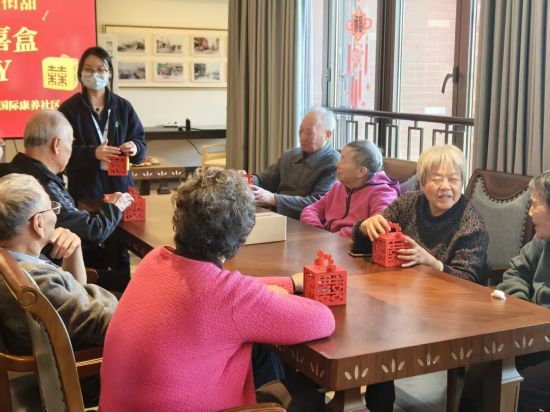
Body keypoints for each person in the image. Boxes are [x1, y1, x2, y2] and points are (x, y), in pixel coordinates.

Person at [99, 168, 336, 411]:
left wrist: (289, 284)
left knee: (260, 354)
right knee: (307, 395)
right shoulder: (229, 297)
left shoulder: (155, 259)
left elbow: (228, 292)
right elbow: (322, 320)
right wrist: (281, 295)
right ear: (241, 237)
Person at [351, 144, 488, 412]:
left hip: (444, 313)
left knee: (379, 332)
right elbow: (369, 242)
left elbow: (469, 282)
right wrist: (365, 227)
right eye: (436, 179)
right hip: (399, 299)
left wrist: (433, 263)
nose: (445, 187)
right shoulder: (408, 203)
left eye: (453, 179)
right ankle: (372, 401)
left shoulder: (471, 225)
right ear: (423, 182)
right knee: (368, 319)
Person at [0, 110, 134, 291]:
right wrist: (116, 206)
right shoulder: (37, 185)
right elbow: (91, 231)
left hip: (33, 268)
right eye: (70, 144)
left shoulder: (13, 172)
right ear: (57, 144)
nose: (70, 151)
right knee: (127, 282)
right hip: (55, 272)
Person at [461, 171, 550, 412]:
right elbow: (515, 272)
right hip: (532, 336)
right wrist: (522, 306)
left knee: (521, 389)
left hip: (544, 342)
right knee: (479, 373)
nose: (530, 213)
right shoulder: (542, 240)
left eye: (536, 205)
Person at [0, 173, 117, 356]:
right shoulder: (38, 283)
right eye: (52, 207)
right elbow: (108, 326)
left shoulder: (15, 259)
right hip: (88, 361)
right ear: (38, 223)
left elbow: (73, 290)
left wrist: (74, 249)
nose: (56, 214)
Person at [58, 46, 146, 202]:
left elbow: (141, 146)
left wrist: (135, 147)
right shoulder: (68, 109)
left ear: (109, 73)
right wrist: (93, 153)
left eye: (100, 69)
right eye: (88, 69)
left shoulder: (123, 107)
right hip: (85, 194)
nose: (94, 74)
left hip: (121, 193)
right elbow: (60, 153)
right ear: (80, 73)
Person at [251, 107, 340, 220]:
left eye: (309, 133)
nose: (302, 137)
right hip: (276, 216)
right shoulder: (290, 155)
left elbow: (317, 203)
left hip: (306, 222)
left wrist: (273, 199)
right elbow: (264, 180)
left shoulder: (334, 162)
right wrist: (247, 179)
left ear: (327, 134)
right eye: (300, 132)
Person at [300, 140, 400, 237]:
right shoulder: (338, 187)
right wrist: (319, 232)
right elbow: (311, 210)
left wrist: (335, 237)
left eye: (343, 160)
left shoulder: (383, 193)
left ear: (361, 171)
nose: (337, 164)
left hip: (353, 244)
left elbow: (379, 226)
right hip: (326, 240)